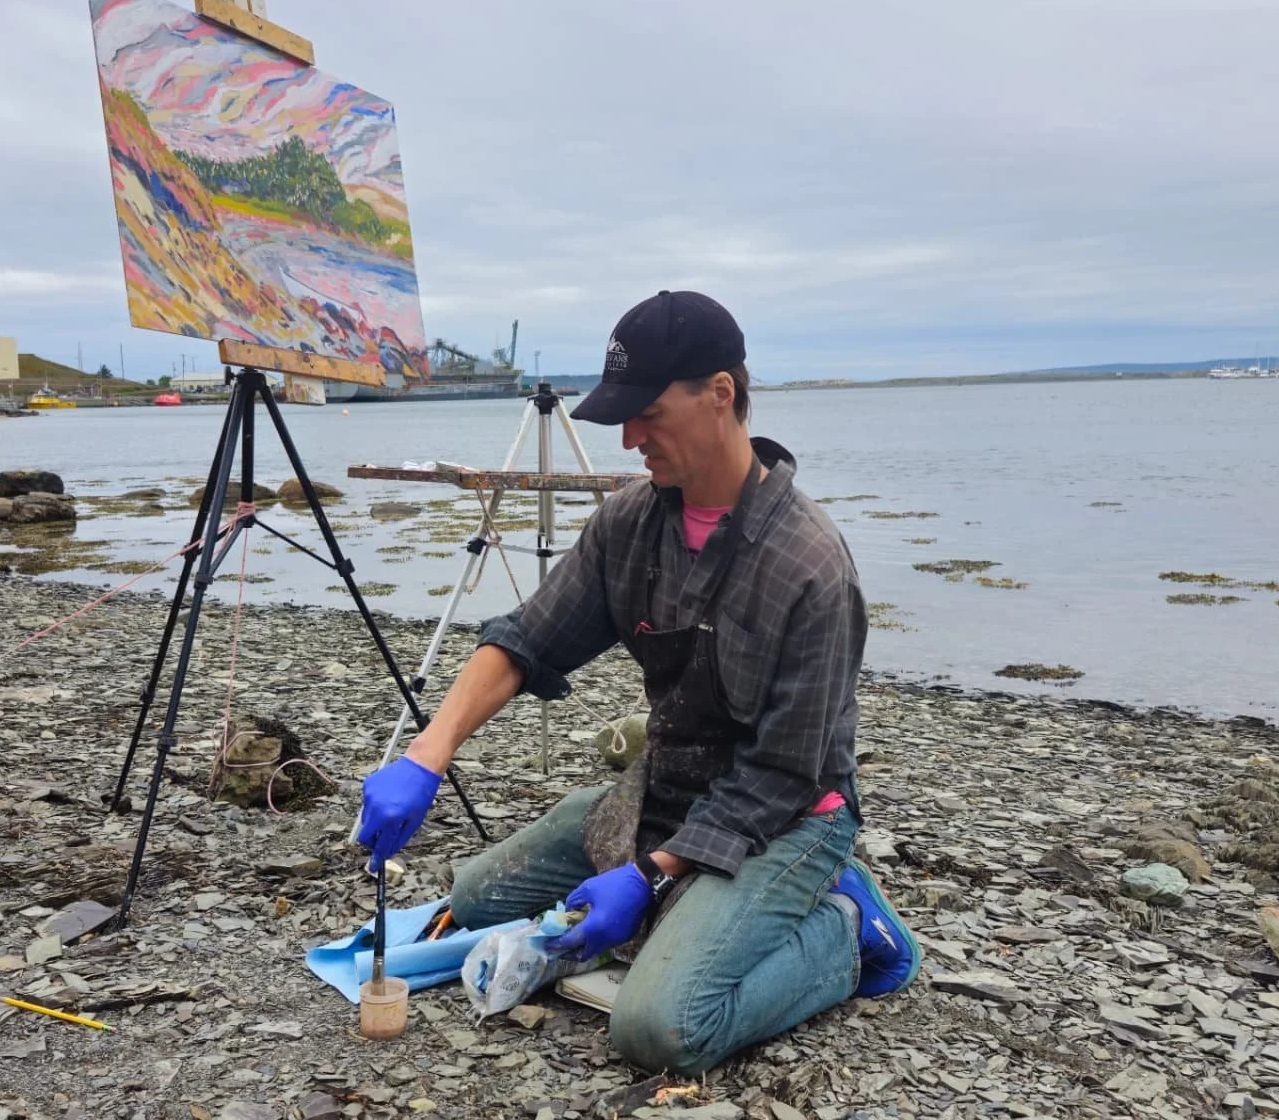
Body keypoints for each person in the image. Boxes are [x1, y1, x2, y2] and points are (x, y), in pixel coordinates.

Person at [358, 290, 920, 1074]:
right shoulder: (630, 523)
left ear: (720, 394)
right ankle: (683, 895)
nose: (628, 439)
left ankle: (841, 930)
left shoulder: (811, 568)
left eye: (648, 413)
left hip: (788, 815)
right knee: (479, 902)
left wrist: (648, 879)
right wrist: (427, 755)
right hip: (669, 787)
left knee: (660, 1027)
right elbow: (525, 641)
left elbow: (783, 773)